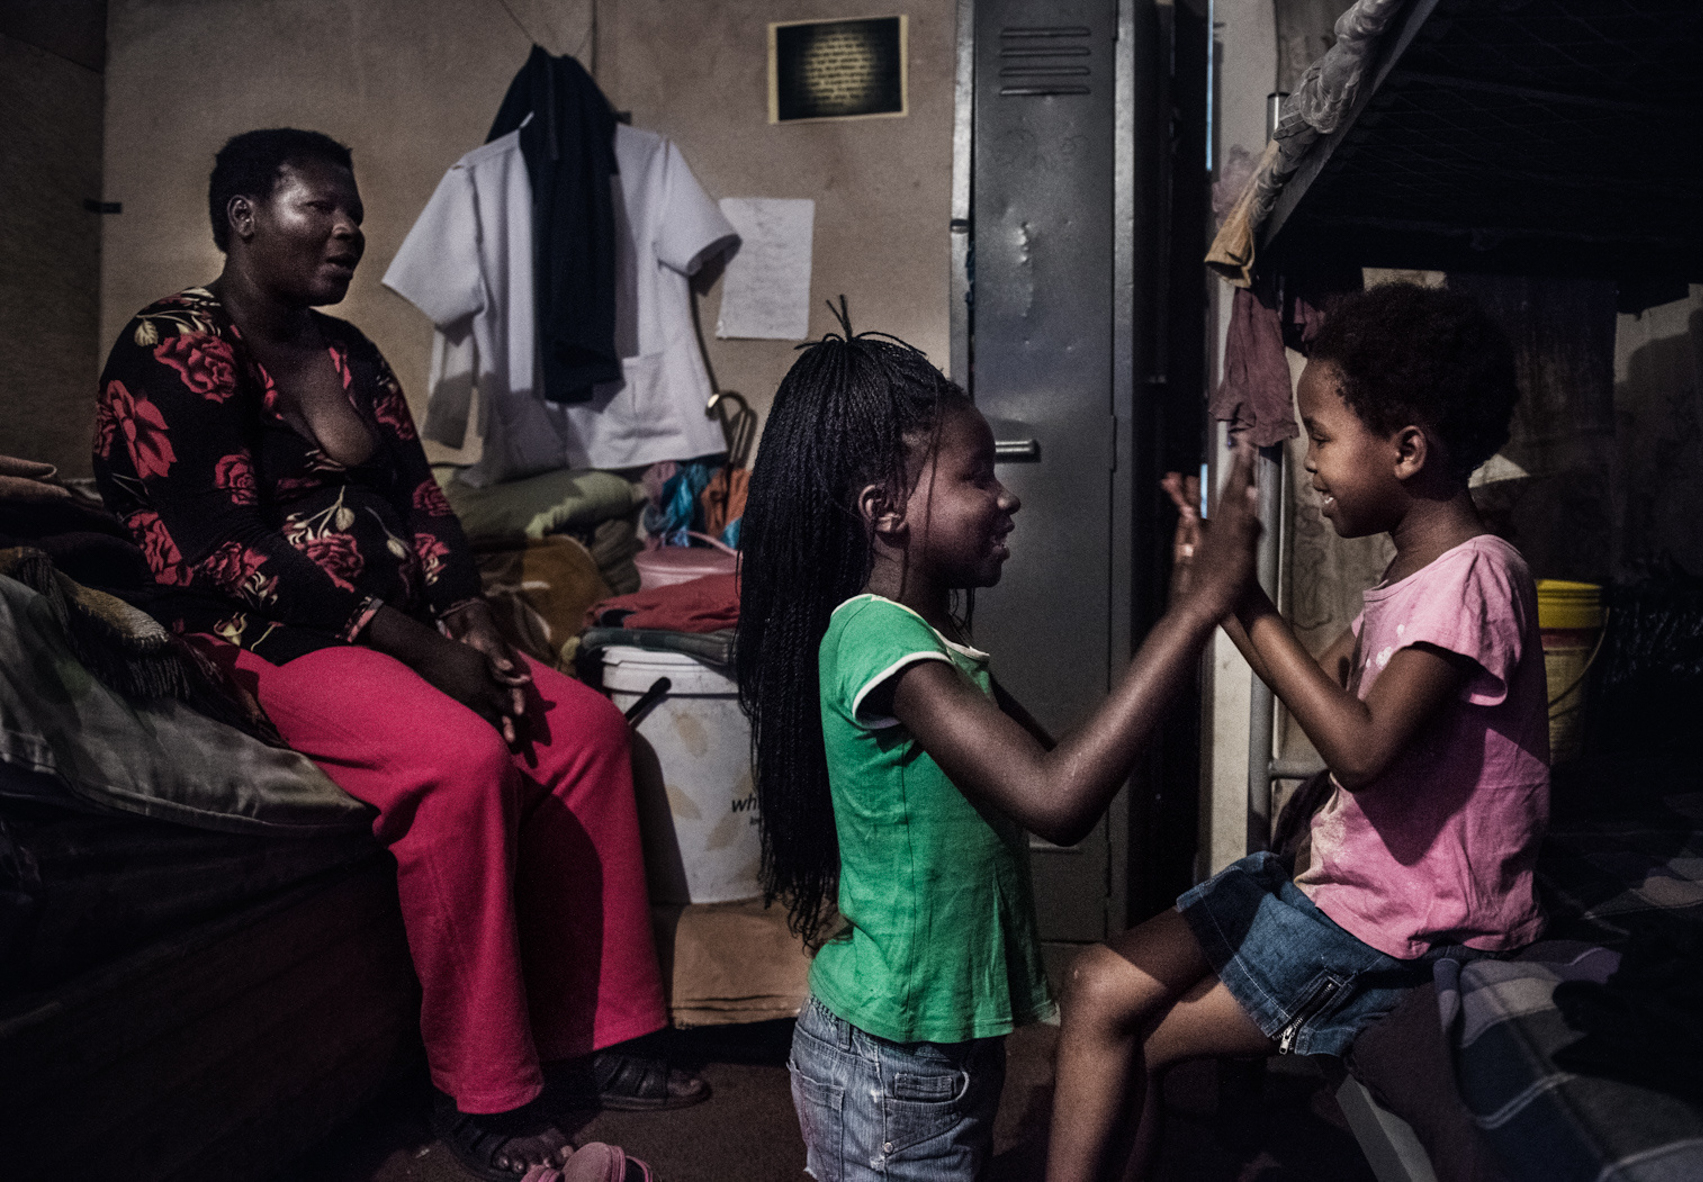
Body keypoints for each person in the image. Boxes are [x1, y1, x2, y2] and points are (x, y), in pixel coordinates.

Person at [91, 128, 703, 1182]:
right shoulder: (171, 346)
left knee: (587, 733)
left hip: (398, 621)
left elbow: (418, 499)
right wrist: (408, 641)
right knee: (457, 765)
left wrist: (465, 612)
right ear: (243, 218)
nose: (349, 231)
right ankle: (481, 1088)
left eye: (354, 212)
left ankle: (598, 1031)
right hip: (253, 635)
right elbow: (212, 548)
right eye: (317, 209)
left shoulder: (349, 353)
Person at [734, 318, 1264, 1181]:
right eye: (977, 476)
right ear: (886, 511)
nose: (1005, 496)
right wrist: (1193, 616)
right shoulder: (880, 643)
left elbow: (1062, 772)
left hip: (920, 1055)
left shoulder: (926, 641)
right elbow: (1059, 798)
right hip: (889, 1063)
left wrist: (1183, 611)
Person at [1046, 283, 1549, 1181]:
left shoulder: (1472, 580)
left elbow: (1360, 749)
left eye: (1321, 437)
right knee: (1096, 983)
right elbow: (1329, 709)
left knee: (1129, 1031)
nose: (1309, 464)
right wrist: (1219, 597)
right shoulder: (1414, 575)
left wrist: (1244, 601)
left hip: (1389, 924)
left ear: (1405, 450)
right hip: (1341, 886)